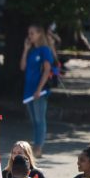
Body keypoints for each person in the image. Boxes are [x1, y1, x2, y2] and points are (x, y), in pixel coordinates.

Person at [21, 24, 55, 157]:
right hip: (28, 90)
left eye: (32, 33)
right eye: (29, 33)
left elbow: (47, 70)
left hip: (39, 90)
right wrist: (25, 50)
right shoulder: (32, 50)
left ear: (40, 34)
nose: (30, 36)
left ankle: (38, 147)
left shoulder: (44, 50)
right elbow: (22, 67)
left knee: (40, 120)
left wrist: (39, 89)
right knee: (34, 120)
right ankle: (35, 145)